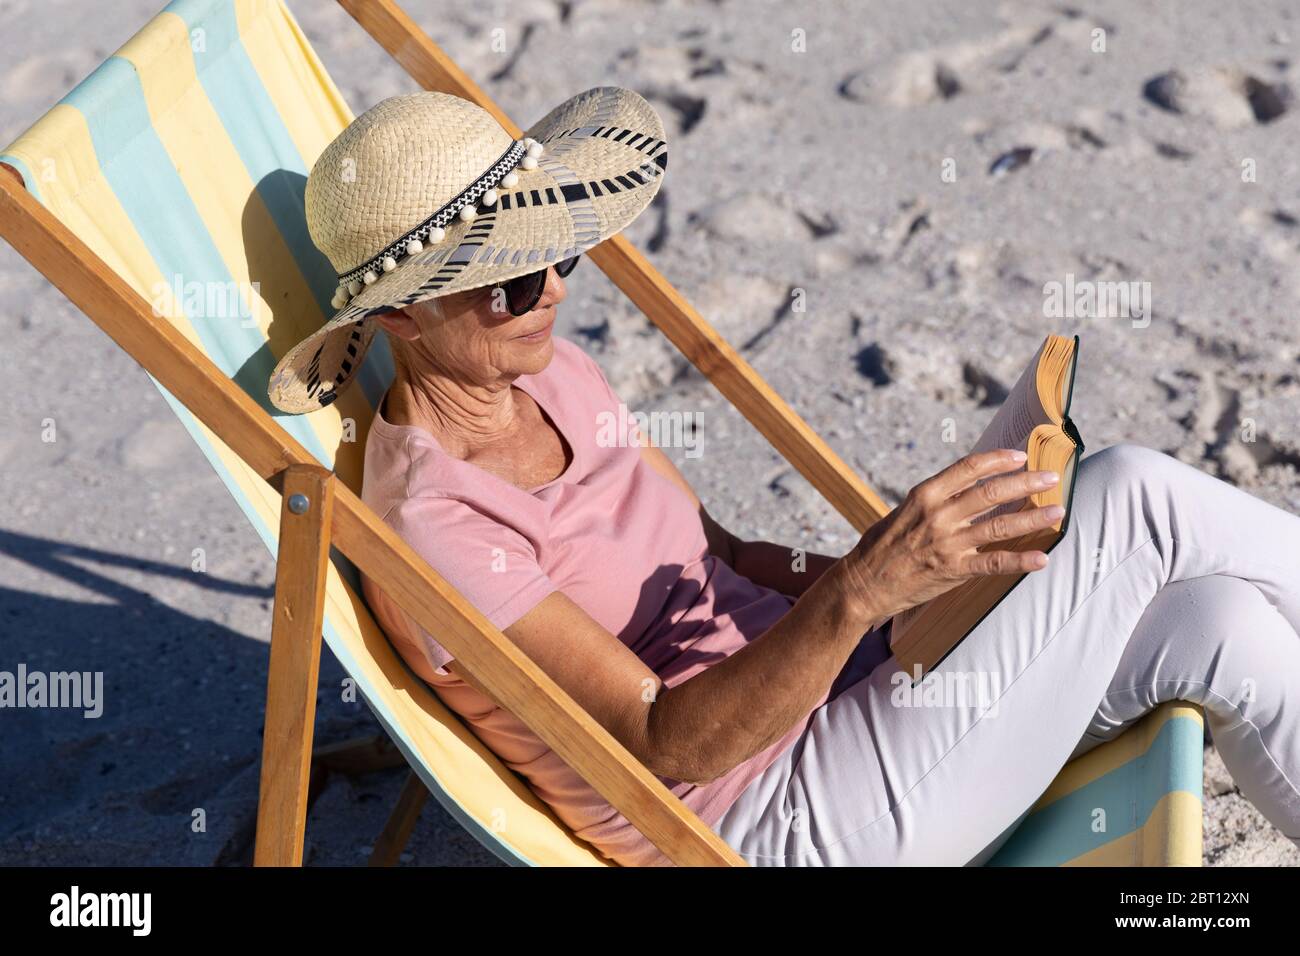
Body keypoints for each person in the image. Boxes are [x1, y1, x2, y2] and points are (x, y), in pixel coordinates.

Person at [269, 88, 1300, 866]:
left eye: (550, 254)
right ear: (399, 316)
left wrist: (901, 572)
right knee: (1128, 494)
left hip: (851, 696)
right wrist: (866, 592)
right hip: (771, 819)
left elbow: (715, 552)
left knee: (1216, 623)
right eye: (502, 279)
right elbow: (663, 741)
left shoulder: (548, 372)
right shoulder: (439, 526)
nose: (545, 291)